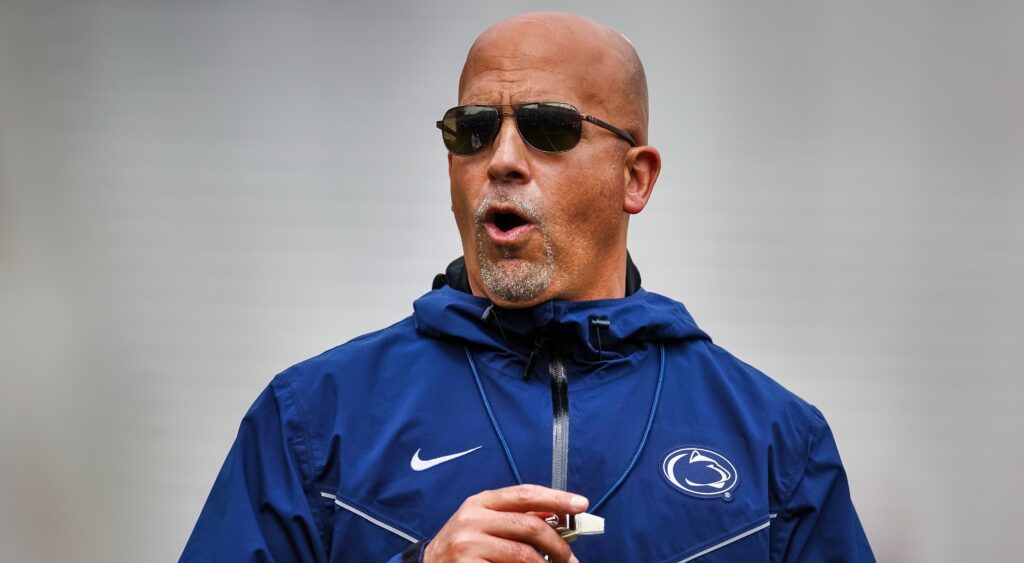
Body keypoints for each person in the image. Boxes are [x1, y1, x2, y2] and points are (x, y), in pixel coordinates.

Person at [181, 12, 874, 563]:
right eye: (473, 130)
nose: (503, 159)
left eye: (548, 128)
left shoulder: (778, 445)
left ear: (636, 178)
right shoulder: (313, 418)